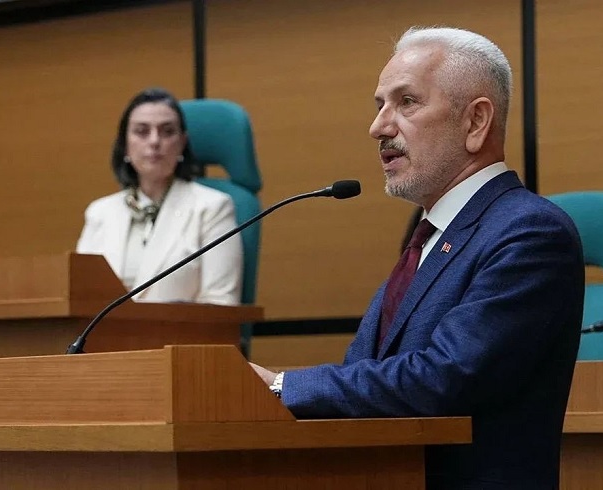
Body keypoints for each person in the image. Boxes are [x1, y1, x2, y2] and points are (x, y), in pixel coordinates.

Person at [250, 26, 584, 489]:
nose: (378, 127)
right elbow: (368, 378)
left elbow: (445, 378)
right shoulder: (429, 236)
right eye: (379, 105)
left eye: (406, 102)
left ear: (476, 121)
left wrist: (281, 386)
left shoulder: (529, 233)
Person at [76, 87, 243, 305]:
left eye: (167, 131)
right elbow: (80, 299)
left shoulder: (213, 208)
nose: (154, 141)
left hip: (178, 328)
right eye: (142, 131)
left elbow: (222, 304)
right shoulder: (100, 212)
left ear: (182, 143)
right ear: (125, 145)